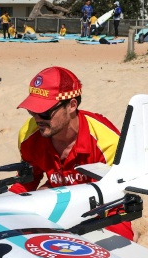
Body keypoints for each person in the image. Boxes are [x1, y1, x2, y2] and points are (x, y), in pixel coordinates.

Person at [11, 67, 134, 240]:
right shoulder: (29, 135)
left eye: (44, 112)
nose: (37, 119)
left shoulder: (107, 141)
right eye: (32, 111)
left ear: (71, 105)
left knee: (120, 249)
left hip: (103, 209)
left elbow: (111, 204)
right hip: (58, 201)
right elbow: (26, 183)